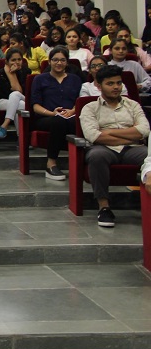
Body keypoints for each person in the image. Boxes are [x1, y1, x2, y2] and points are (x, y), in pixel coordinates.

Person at [79, 65, 149, 228]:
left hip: (133, 149)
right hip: (104, 149)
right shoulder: (90, 108)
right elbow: (94, 136)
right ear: (99, 85)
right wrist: (130, 134)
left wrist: (109, 131)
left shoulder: (133, 105)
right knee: (97, 156)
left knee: (149, 155)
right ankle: (104, 207)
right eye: (110, 84)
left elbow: (144, 130)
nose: (116, 87)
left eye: (118, 83)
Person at [30, 46, 82, 181]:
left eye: (63, 60)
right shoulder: (39, 79)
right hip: (46, 117)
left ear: (67, 62)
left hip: (71, 115)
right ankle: (51, 164)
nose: (59, 63)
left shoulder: (75, 79)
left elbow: (80, 100)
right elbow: (35, 106)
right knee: (58, 122)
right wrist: (52, 113)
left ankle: (83, 165)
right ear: (49, 61)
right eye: (55, 60)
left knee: (79, 122)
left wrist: (72, 111)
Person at [0, 47, 31, 138]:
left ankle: (4, 125)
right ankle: (21, 138)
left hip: (22, 98)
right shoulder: (0, 73)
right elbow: (7, 93)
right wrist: (11, 74)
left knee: (15, 95)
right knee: (20, 104)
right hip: (2, 100)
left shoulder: (26, 71)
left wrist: (13, 74)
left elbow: (20, 91)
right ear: (7, 62)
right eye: (13, 60)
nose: (16, 62)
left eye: (19, 59)